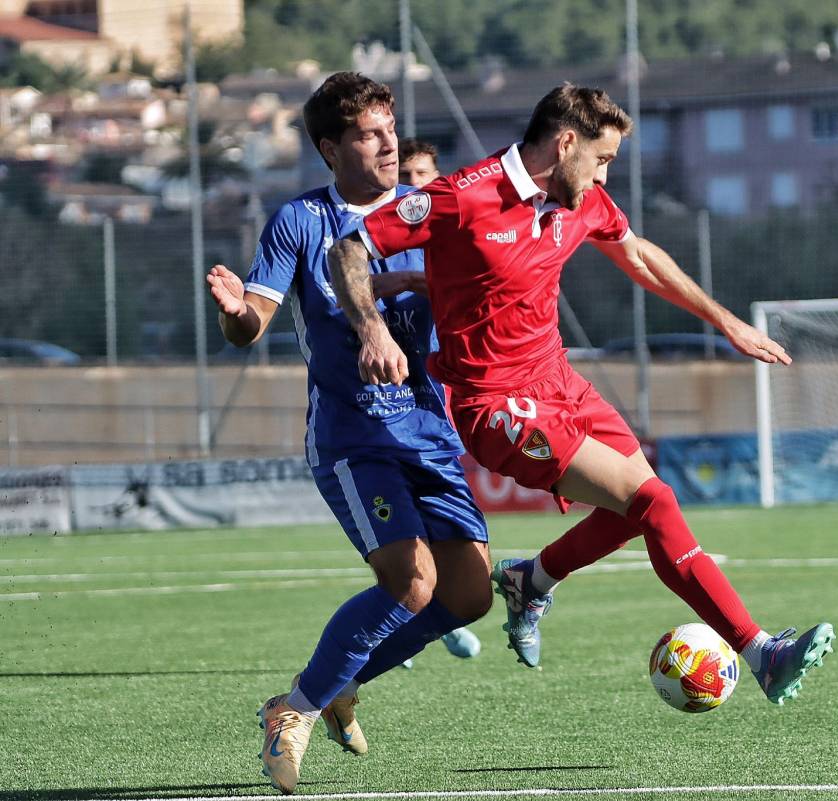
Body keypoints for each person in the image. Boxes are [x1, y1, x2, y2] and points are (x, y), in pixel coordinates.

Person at [327, 84, 835, 707]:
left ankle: (530, 579)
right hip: (496, 405)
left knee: (636, 510)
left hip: (561, 384)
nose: (604, 175)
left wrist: (726, 322)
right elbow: (350, 248)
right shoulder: (463, 197)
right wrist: (372, 329)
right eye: (602, 159)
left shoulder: (583, 199)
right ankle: (761, 653)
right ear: (566, 143)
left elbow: (638, 256)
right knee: (654, 503)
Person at [208, 72, 492, 795]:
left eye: (390, 129)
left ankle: (336, 683)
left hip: (428, 429)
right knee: (412, 581)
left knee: (469, 595)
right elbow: (253, 323)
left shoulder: (428, 212)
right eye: (369, 134)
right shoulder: (301, 221)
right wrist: (236, 313)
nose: (389, 145)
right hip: (353, 435)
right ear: (331, 149)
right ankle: (294, 709)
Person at [390, 134, 483, 665]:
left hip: (435, 398)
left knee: (442, 527)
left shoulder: (449, 236)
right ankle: (405, 615)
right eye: (404, 176)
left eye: (422, 176)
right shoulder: (379, 237)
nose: (413, 186)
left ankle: (428, 617)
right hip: (383, 400)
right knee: (399, 527)